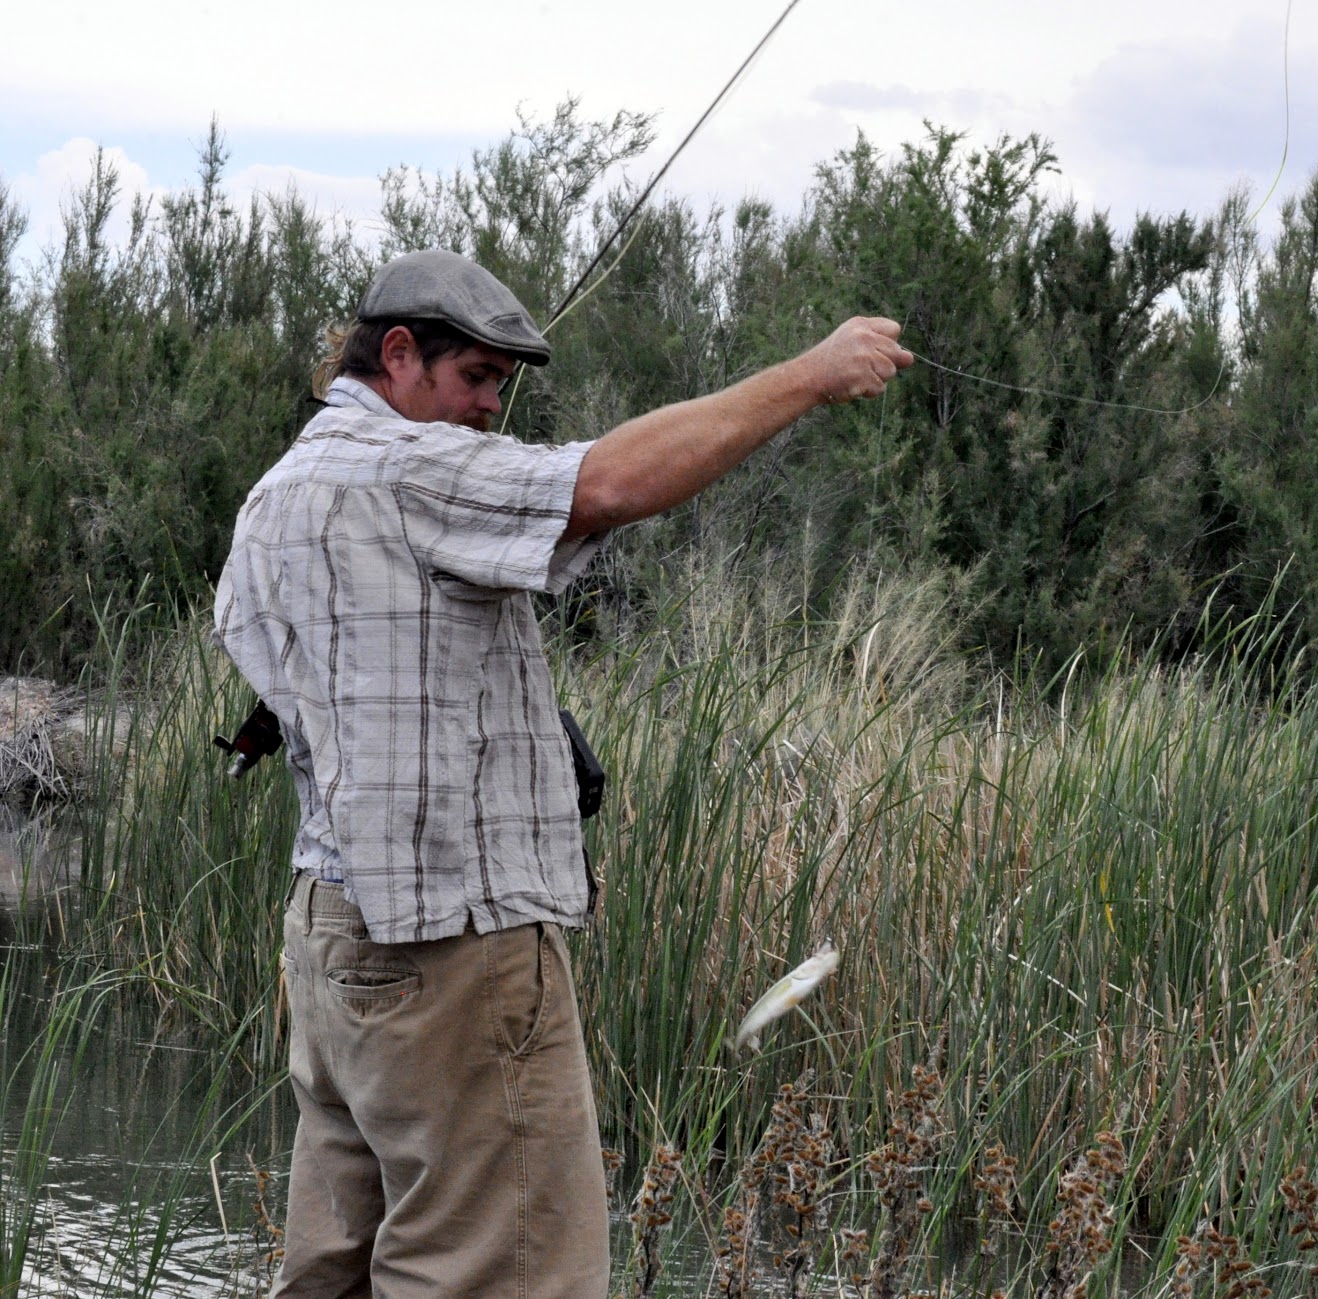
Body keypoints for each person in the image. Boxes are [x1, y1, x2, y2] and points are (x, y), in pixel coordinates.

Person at [214, 248, 913, 1299]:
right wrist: (811, 374)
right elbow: (613, 483)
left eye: (501, 384)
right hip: (450, 948)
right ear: (396, 355)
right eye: (474, 378)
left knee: (334, 1274)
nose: (490, 406)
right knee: (504, 1273)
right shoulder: (407, 469)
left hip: (330, 942)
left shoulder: (272, 498)